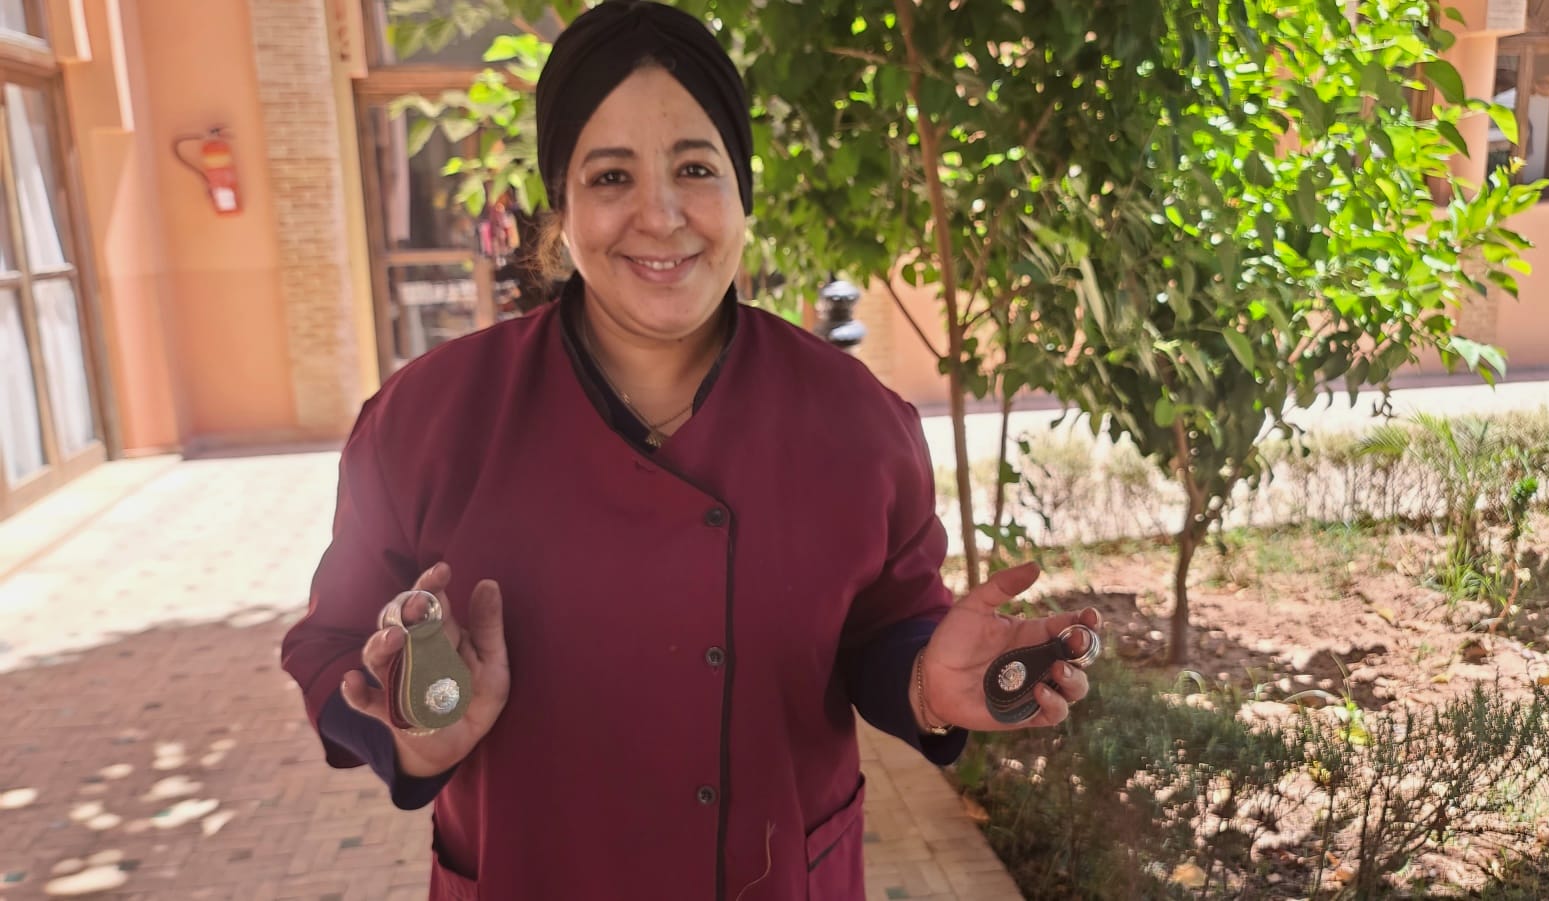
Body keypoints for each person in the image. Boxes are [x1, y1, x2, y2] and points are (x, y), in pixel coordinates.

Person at [280, 2, 1102, 898]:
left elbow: (880, 625)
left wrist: (922, 683)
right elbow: (330, 643)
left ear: (743, 191)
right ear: (561, 207)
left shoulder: (857, 423)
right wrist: (408, 731)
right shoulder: (426, 419)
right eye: (610, 177)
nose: (661, 216)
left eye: (695, 168)